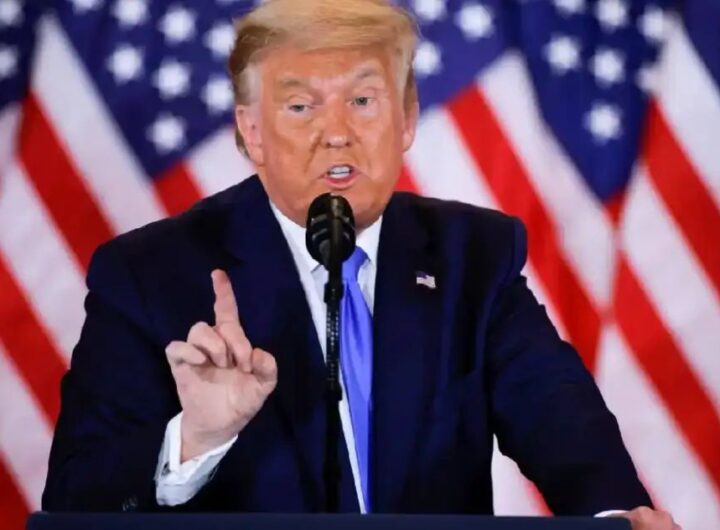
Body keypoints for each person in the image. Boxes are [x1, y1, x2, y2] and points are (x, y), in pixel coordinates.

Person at [43, 1, 679, 528]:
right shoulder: (147, 275)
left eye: (364, 100)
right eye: (301, 106)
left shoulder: (473, 256)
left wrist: (616, 517)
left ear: (407, 120)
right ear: (251, 132)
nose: (337, 132)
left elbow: (563, 427)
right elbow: (74, 502)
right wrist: (194, 441)